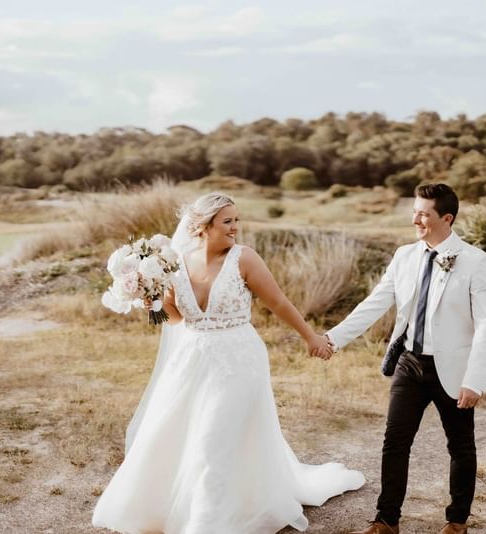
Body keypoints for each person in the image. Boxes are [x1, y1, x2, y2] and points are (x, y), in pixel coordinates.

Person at [92, 192, 365, 534]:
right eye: (227, 221)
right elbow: (177, 319)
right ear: (203, 227)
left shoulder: (244, 259)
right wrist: (153, 304)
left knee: (213, 438)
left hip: (238, 359)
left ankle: (206, 524)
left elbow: (277, 302)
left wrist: (310, 337)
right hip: (192, 358)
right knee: (177, 434)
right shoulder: (176, 264)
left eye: (237, 220)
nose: (235, 227)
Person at [322, 183, 486, 534]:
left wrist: (474, 379)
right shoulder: (404, 256)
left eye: (423, 213)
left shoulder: (475, 261)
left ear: (446, 218)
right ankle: (387, 520)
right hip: (410, 362)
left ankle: (457, 521)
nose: (415, 218)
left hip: (456, 369)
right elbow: (374, 303)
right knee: (395, 440)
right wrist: (331, 338)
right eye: (415, 210)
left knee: (460, 445)